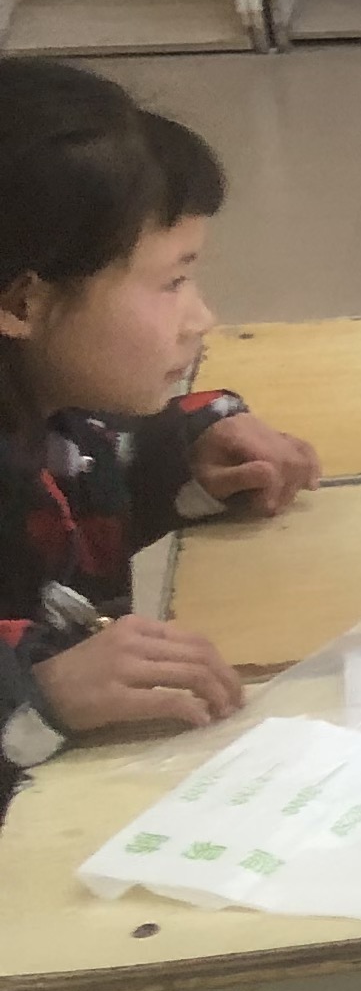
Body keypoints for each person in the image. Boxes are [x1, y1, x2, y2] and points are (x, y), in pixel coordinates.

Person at [0, 62, 318, 802]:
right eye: (172, 282)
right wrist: (42, 689)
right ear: (21, 303)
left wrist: (184, 457)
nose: (201, 317)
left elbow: (76, 480)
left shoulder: (46, 415)